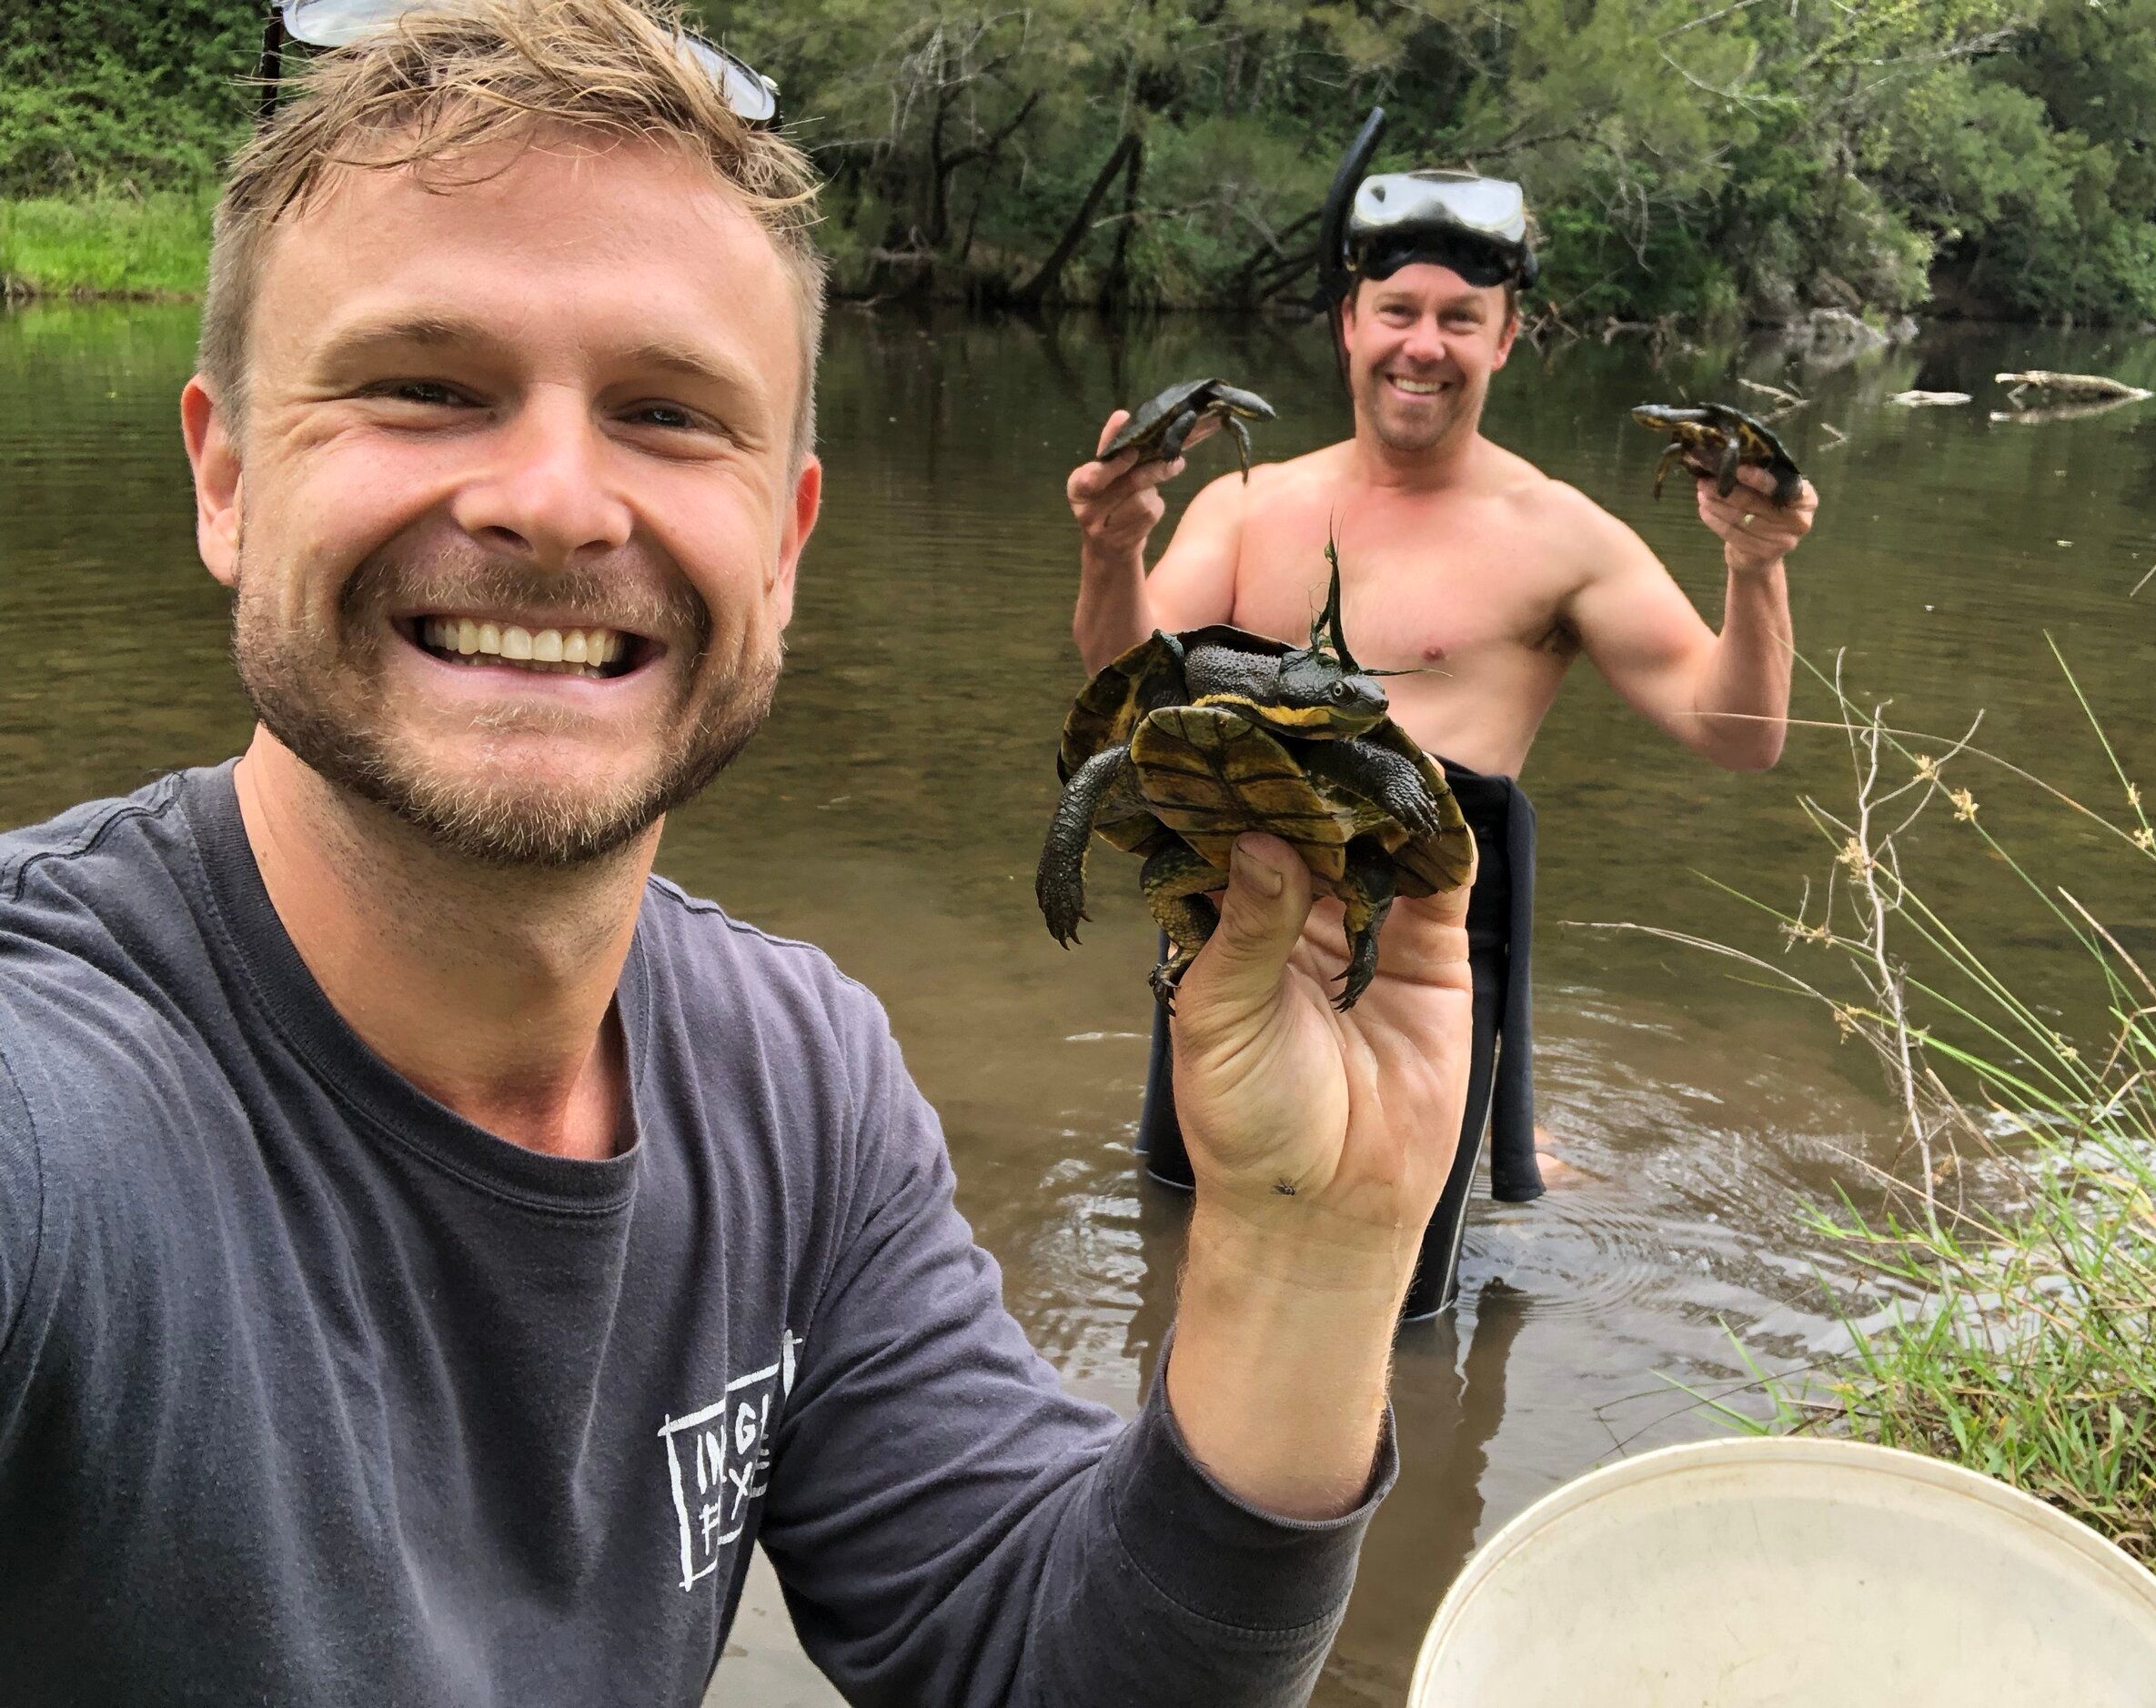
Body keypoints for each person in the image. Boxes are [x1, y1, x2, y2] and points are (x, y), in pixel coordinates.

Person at [0, 5, 1477, 1703]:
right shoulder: (57, 1094)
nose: (553, 500)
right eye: (424, 386)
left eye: (669, 412)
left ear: (784, 542)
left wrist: (1307, 1247)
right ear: (226, 477)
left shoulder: (799, 1078)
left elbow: (1040, 1666)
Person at [1066, 151, 1816, 1321]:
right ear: (1346, 327)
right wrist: (1110, 550)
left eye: (1461, 319)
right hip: (1234, 917)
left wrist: (1755, 568)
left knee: (1395, 1298)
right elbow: (1129, 680)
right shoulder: (1247, 504)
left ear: (1507, 338)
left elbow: (1737, 736)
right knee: (1182, 1220)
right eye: (1398, 312)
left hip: (1421, 949)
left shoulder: (1564, 535)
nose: (1425, 344)